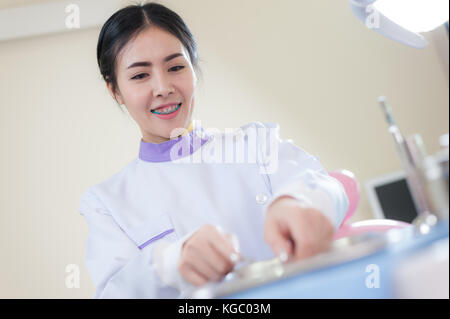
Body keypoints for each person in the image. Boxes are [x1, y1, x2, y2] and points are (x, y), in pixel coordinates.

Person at [78, 2, 349, 298]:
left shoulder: (255, 145)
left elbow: (327, 186)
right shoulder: (107, 204)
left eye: (176, 67)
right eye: (140, 75)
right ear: (115, 90)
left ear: (194, 69)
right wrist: (170, 263)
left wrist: (299, 201)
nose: (163, 87)